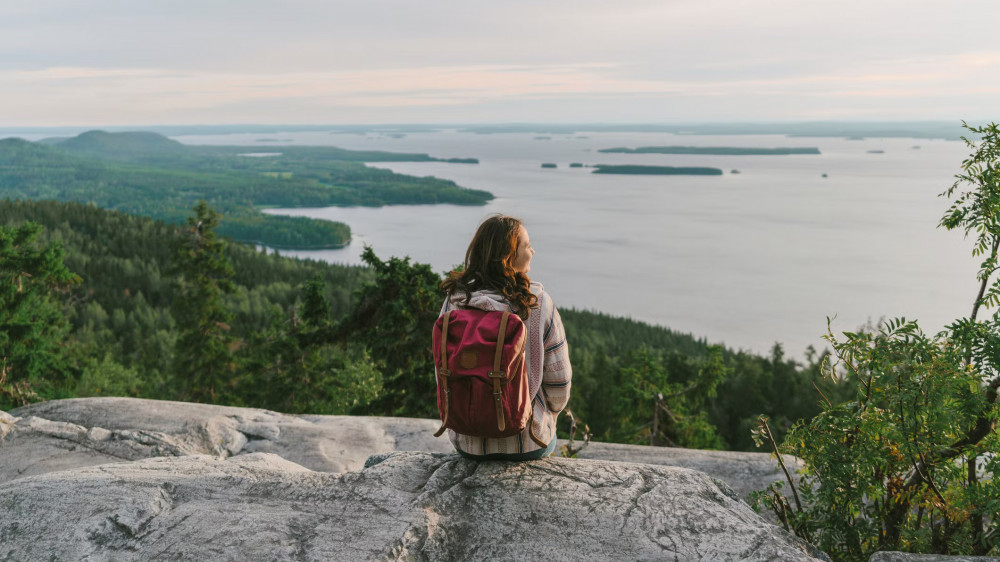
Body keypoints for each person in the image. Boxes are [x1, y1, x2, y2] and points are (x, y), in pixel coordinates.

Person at [439, 215, 572, 460]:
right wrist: (548, 415)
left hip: (467, 444)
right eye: (527, 245)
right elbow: (559, 386)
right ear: (508, 257)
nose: (533, 250)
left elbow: (443, 371)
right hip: (529, 443)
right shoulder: (538, 304)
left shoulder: (454, 300)